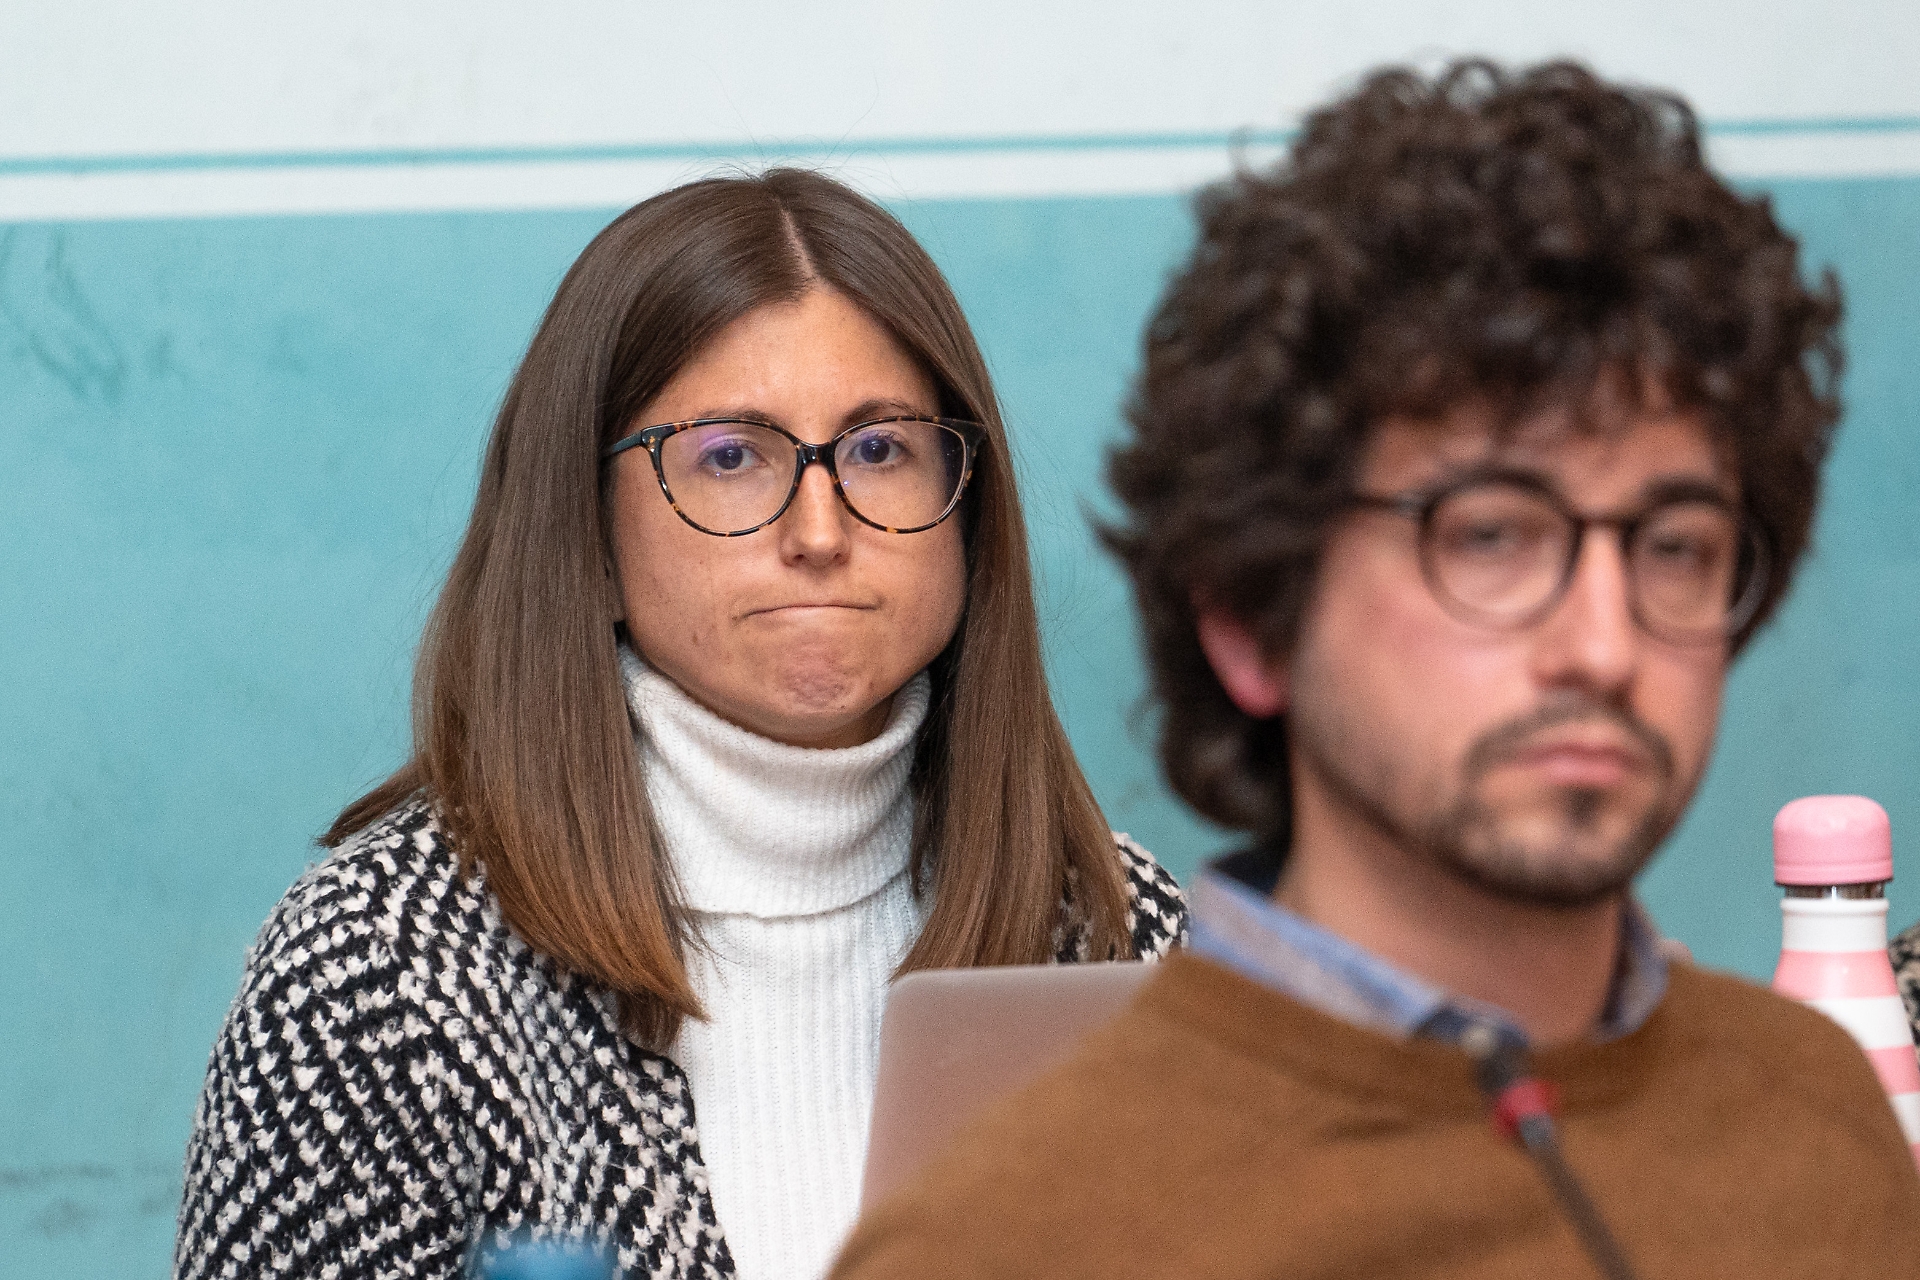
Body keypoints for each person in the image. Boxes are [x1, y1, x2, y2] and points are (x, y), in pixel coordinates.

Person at [831, 61, 1920, 1280]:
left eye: (1674, 546)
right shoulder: (1006, 1243)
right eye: (1493, 536)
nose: (1607, 647)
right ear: (1252, 615)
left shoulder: (1821, 1116)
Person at [173, 169, 1188, 1280]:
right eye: (728, 456)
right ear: (589, 534)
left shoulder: (1115, 926)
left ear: (967, 512)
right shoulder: (378, 969)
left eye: (879, 449)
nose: (819, 528)